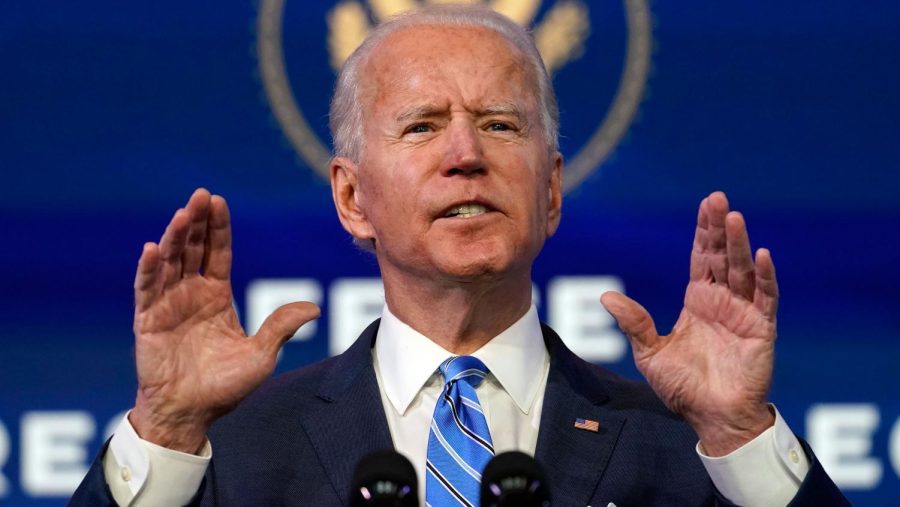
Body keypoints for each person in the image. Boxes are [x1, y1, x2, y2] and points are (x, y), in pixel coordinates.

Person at [70, 5, 847, 506]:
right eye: (421, 127)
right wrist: (164, 430)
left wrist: (742, 433)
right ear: (351, 199)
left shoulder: (689, 449)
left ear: (550, 192)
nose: (466, 154)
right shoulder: (238, 453)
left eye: (501, 125)